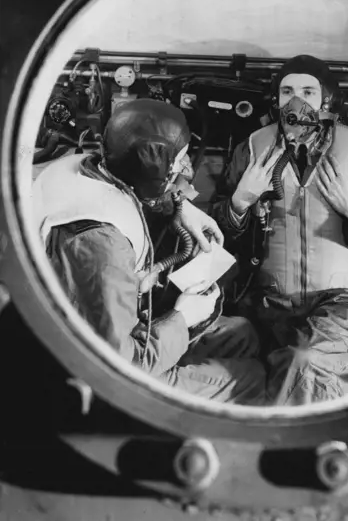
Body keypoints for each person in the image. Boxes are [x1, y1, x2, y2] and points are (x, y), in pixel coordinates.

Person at [32, 98, 266, 405]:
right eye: (178, 160)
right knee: (251, 377)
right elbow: (120, 365)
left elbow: (134, 185)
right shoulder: (101, 245)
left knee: (241, 334)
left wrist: (181, 208)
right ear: (156, 167)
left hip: (114, 329)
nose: (185, 167)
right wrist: (183, 317)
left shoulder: (86, 166)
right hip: (107, 375)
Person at [211, 55, 348, 405]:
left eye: (308, 90)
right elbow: (214, 237)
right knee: (268, 363)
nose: (297, 100)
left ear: (326, 100)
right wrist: (240, 202)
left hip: (341, 302)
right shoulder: (254, 149)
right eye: (287, 90)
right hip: (268, 302)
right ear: (276, 100)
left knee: (306, 361)